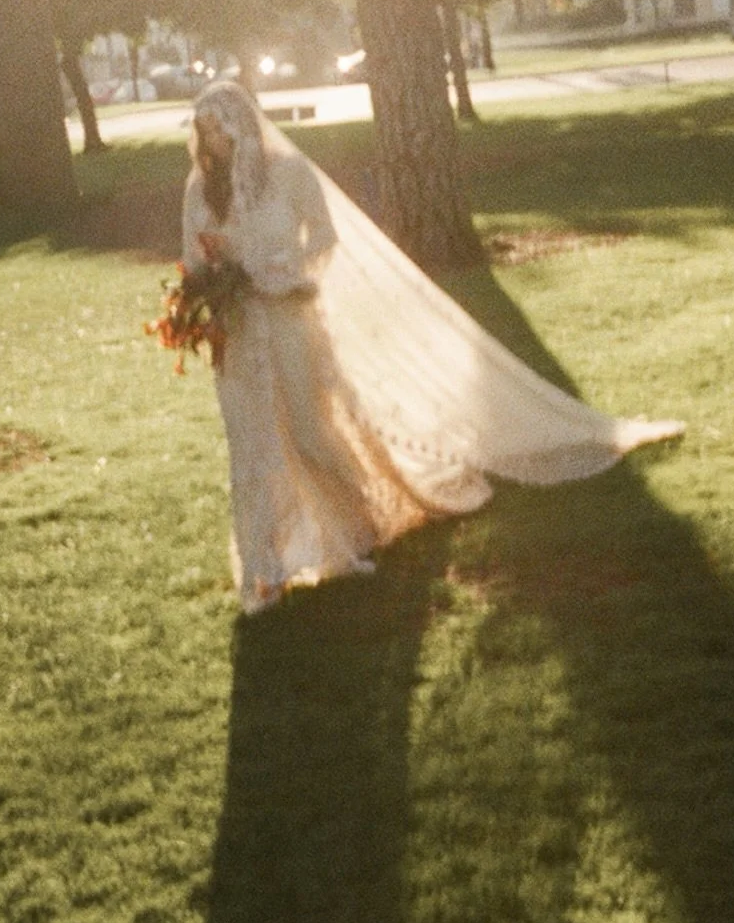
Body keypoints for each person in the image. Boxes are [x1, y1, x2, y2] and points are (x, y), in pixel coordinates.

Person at [181, 80, 683, 613]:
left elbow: (324, 238)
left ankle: (355, 527)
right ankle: (265, 568)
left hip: (289, 320)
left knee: (309, 433)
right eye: (205, 133)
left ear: (244, 126)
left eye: (221, 129)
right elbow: (191, 258)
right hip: (237, 333)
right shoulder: (201, 190)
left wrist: (285, 274)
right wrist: (210, 282)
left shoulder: (289, 174)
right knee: (253, 449)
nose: (215, 143)